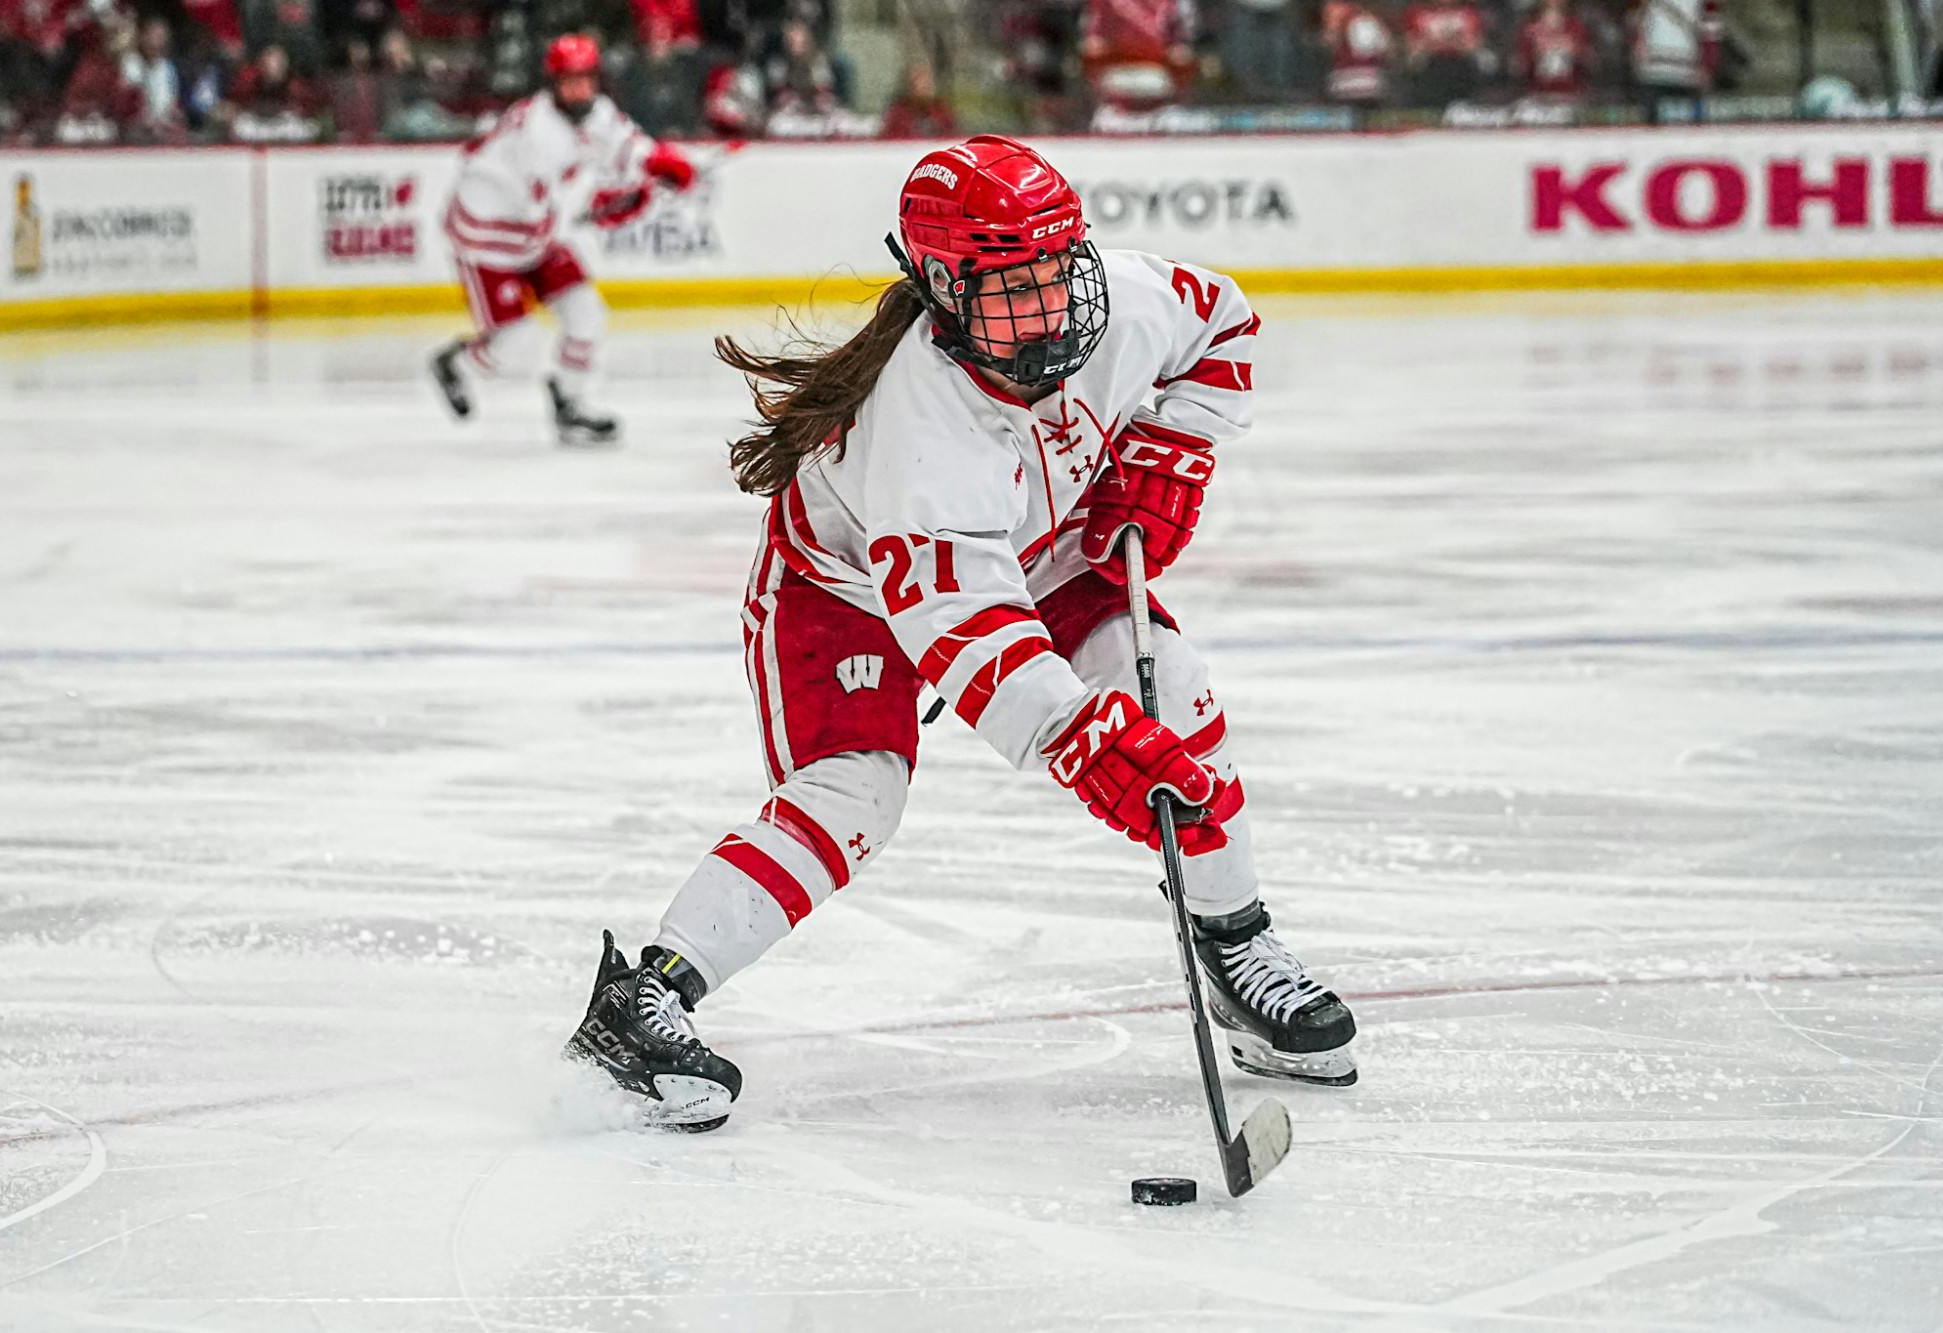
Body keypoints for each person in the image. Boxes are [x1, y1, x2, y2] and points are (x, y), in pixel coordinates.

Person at [563, 135, 1359, 1131]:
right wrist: (1078, 739)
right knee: (855, 792)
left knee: (1177, 689)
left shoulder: (1125, 300)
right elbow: (970, 632)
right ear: (940, 285)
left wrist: (1170, 450)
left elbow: (1224, 325)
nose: (1051, 309)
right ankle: (647, 997)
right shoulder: (920, 432)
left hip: (1043, 546)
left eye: (1056, 273)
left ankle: (1236, 947)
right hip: (845, 587)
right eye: (1010, 288)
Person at [429, 33, 697, 447]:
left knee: (587, 316)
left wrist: (661, 161)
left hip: (535, 235)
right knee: (515, 342)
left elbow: (624, 143)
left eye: (586, 78)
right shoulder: (538, 134)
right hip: (487, 238)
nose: (580, 89)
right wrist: (613, 203)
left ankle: (570, 403)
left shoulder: (594, 111)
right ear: (553, 82)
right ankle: (457, 365)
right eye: (570, 80)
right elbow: (554, 213)